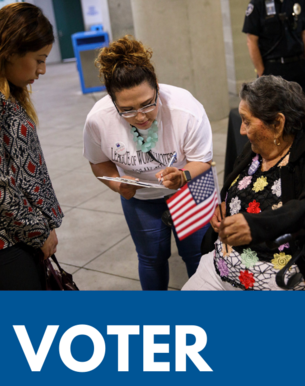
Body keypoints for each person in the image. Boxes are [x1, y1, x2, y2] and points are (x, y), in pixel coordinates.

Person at [183, 76, 305, 290]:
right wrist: (226, 205)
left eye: (247, 121)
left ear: (277, 123)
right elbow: (237, 185)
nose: (241, 130)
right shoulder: (258, 147)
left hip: (283, 277)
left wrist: (258, 225)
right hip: (220, 267)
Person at [83, 36, 214, 291]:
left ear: (156, 86)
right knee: (151, 258)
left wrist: (183, 176)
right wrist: (117, 185)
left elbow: (203, 159)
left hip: (190, 187)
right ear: (112, 101)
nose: (141, 116)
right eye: (128, 109)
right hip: (140, 198)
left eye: (147, 104)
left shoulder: (185, 109)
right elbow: (98, 164)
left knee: (198, 256)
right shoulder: (98, 120)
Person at [0, 3, 62, 290]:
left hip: (14, 234)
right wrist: (38, 230)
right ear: (10, 50)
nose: (42, 70)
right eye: (39, 59)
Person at [243, 0, 305, 97]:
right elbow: (251, 40)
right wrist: (262, 72)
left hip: (298, 66)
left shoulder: (300, 1)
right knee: (274, 109)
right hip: (272, 69)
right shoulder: (257, 3)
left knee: (300, 109)